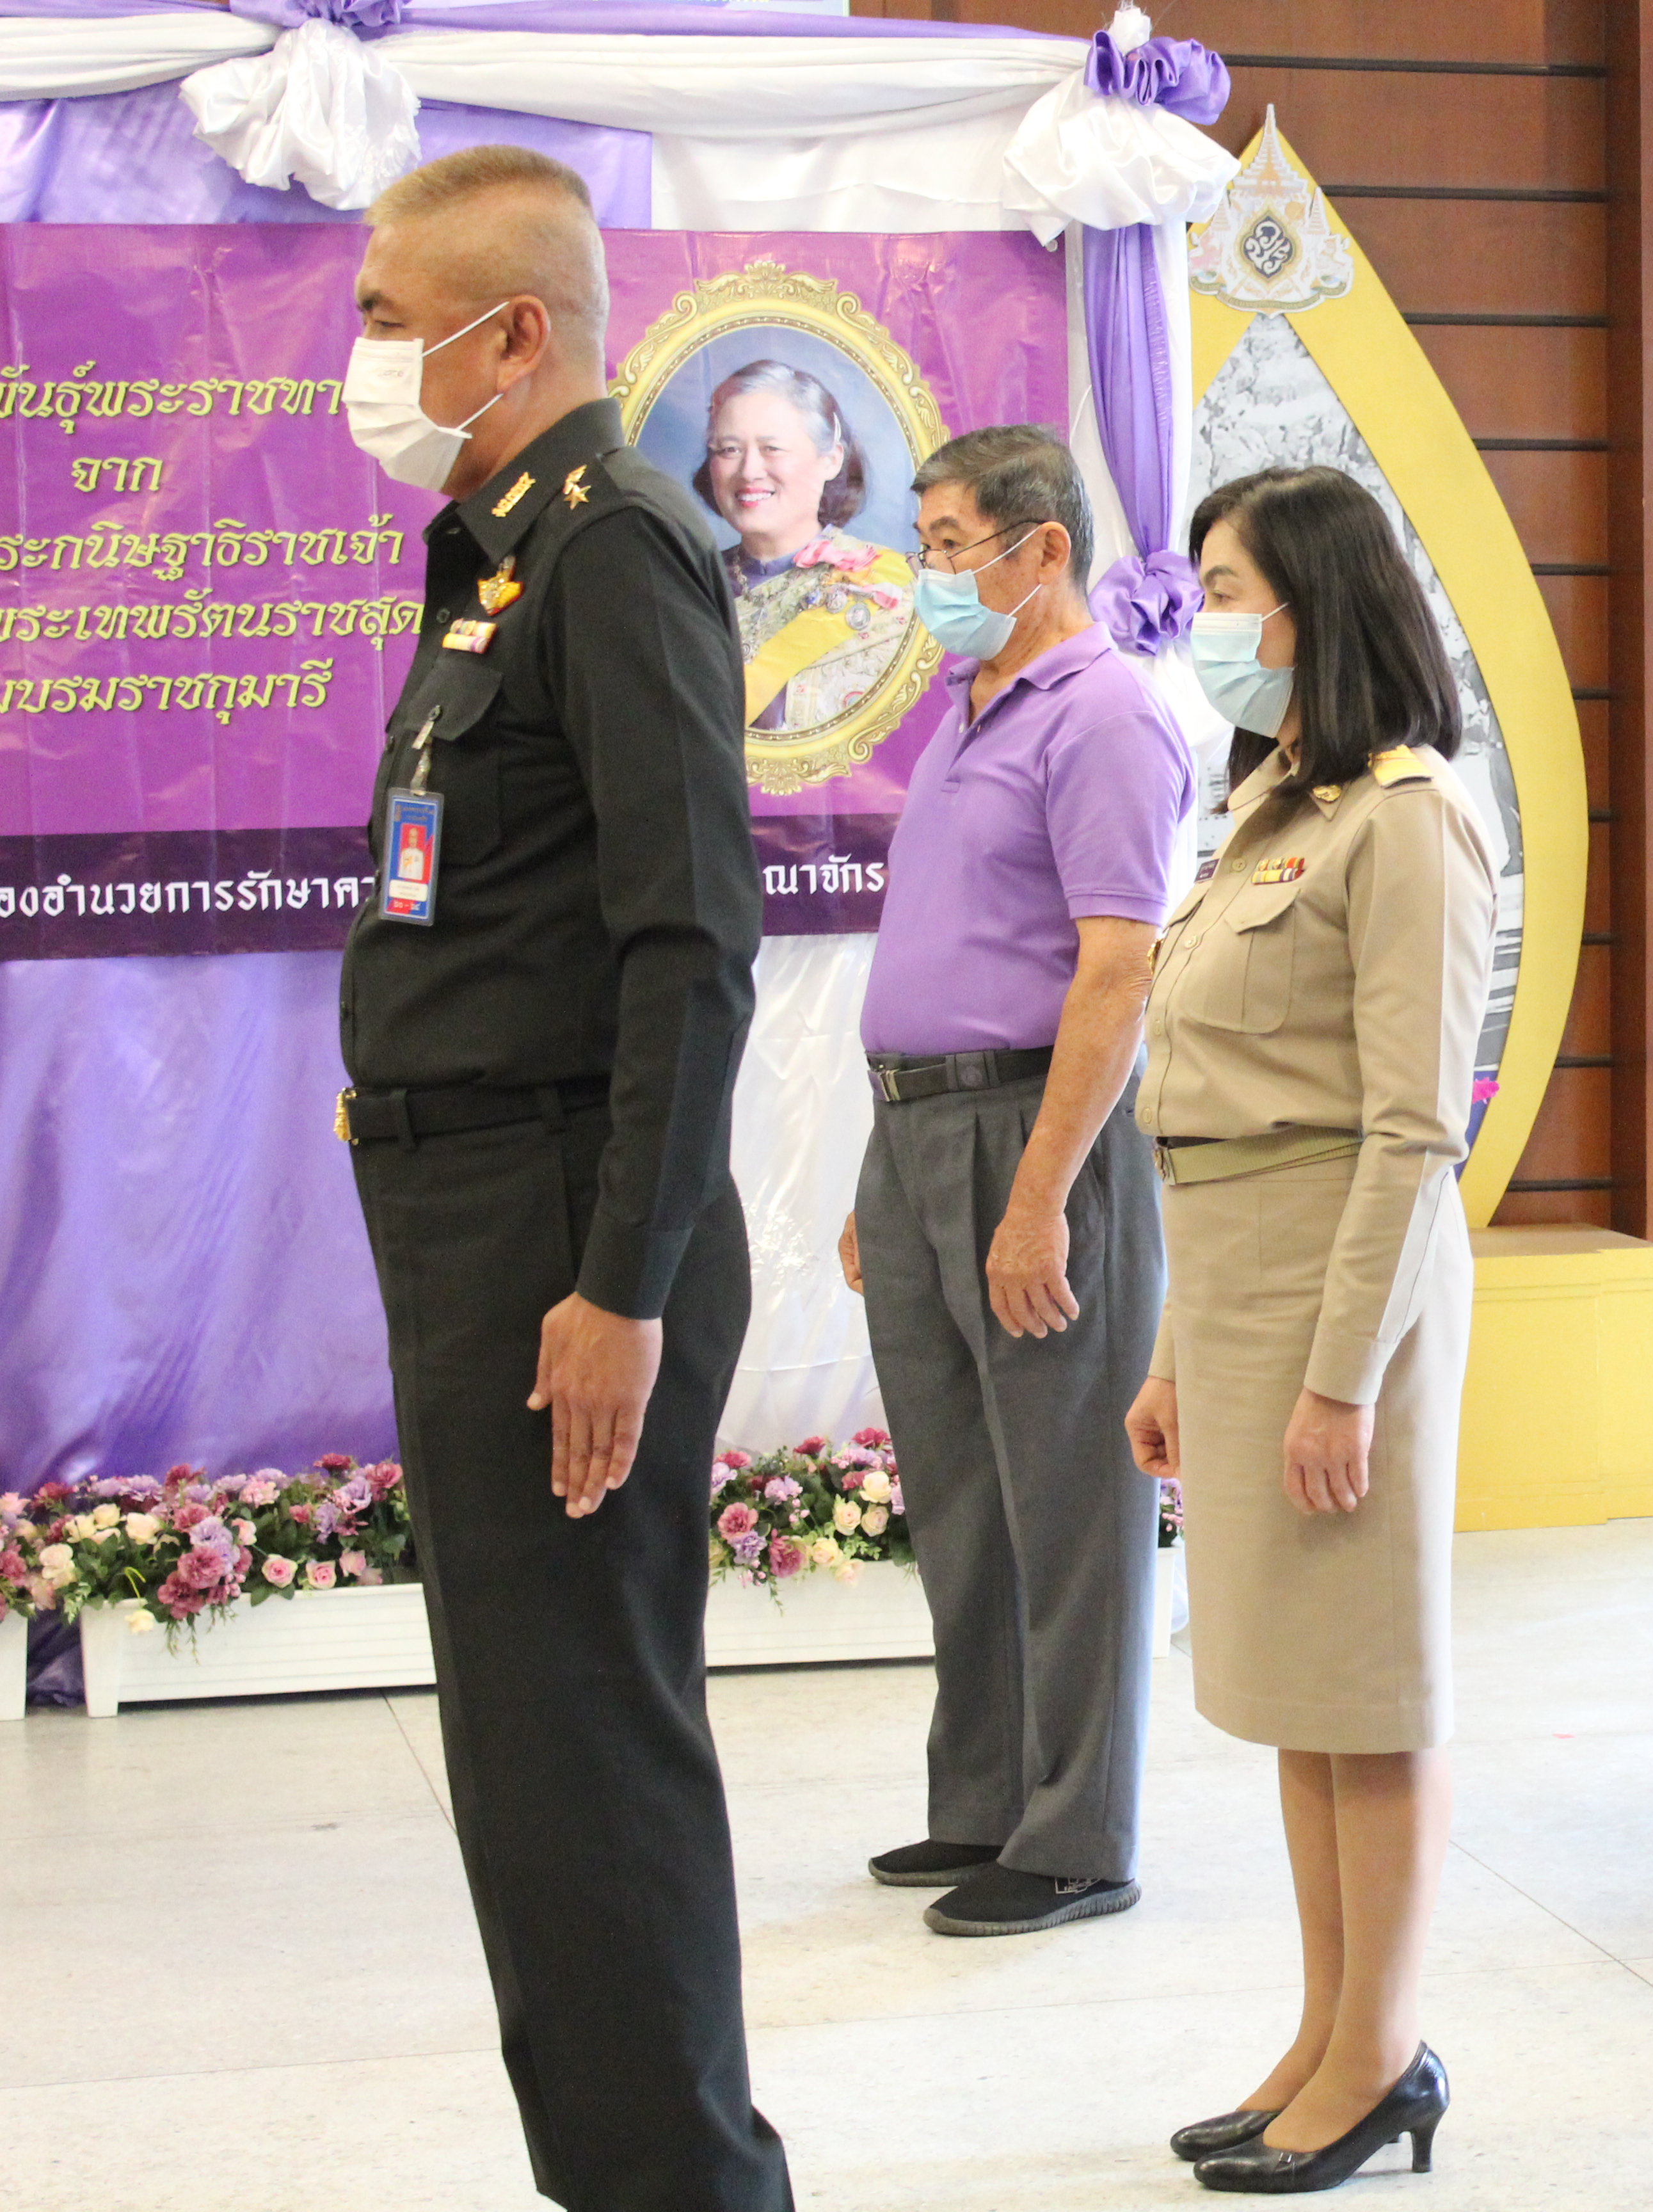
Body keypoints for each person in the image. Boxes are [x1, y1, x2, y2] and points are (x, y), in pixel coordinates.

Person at [333, 145, 791, 2209]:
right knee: (534, 1779)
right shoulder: (499, 554)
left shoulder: (613, 548)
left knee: (585, 1770)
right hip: (477, 1222)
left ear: (511, 331)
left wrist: (622, 1284)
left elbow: (691, 943)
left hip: (557, 1241)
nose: (357, 358)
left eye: (379, 317)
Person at [1124, 463, 1497, 2194]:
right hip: (1239, 1269)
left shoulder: (1410, 818)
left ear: (1316, 607)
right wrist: (1180, 1356)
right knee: (1296, 1691)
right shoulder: (1277, 803)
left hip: (1353, 1287)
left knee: (1371, 1686)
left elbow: (1414, 1132)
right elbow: (1212, 1099)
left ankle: (1384, 2054)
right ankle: (1325, 2033)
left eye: (1228, 590)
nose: (1206, 623)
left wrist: (1340, 1378)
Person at [833, 425, 1188, 1937]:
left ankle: (1074, 1831)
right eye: (921, 539)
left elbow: (1115, 971)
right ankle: (982, 1795)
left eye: (952, 538)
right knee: (964, 1493)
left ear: (1043, 548)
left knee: (1063, 1493)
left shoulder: (1101, 713)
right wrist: (883, 1172)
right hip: (918, 1130)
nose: (931, 570)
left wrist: (1037, 1194)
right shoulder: (974, 708)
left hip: (1032, 1131)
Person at [691, 358, 914, 732]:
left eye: (772, 448)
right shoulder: (684, 584)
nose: (748, 471)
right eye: (729, 450)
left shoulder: (887, 588)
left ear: (831, 460)